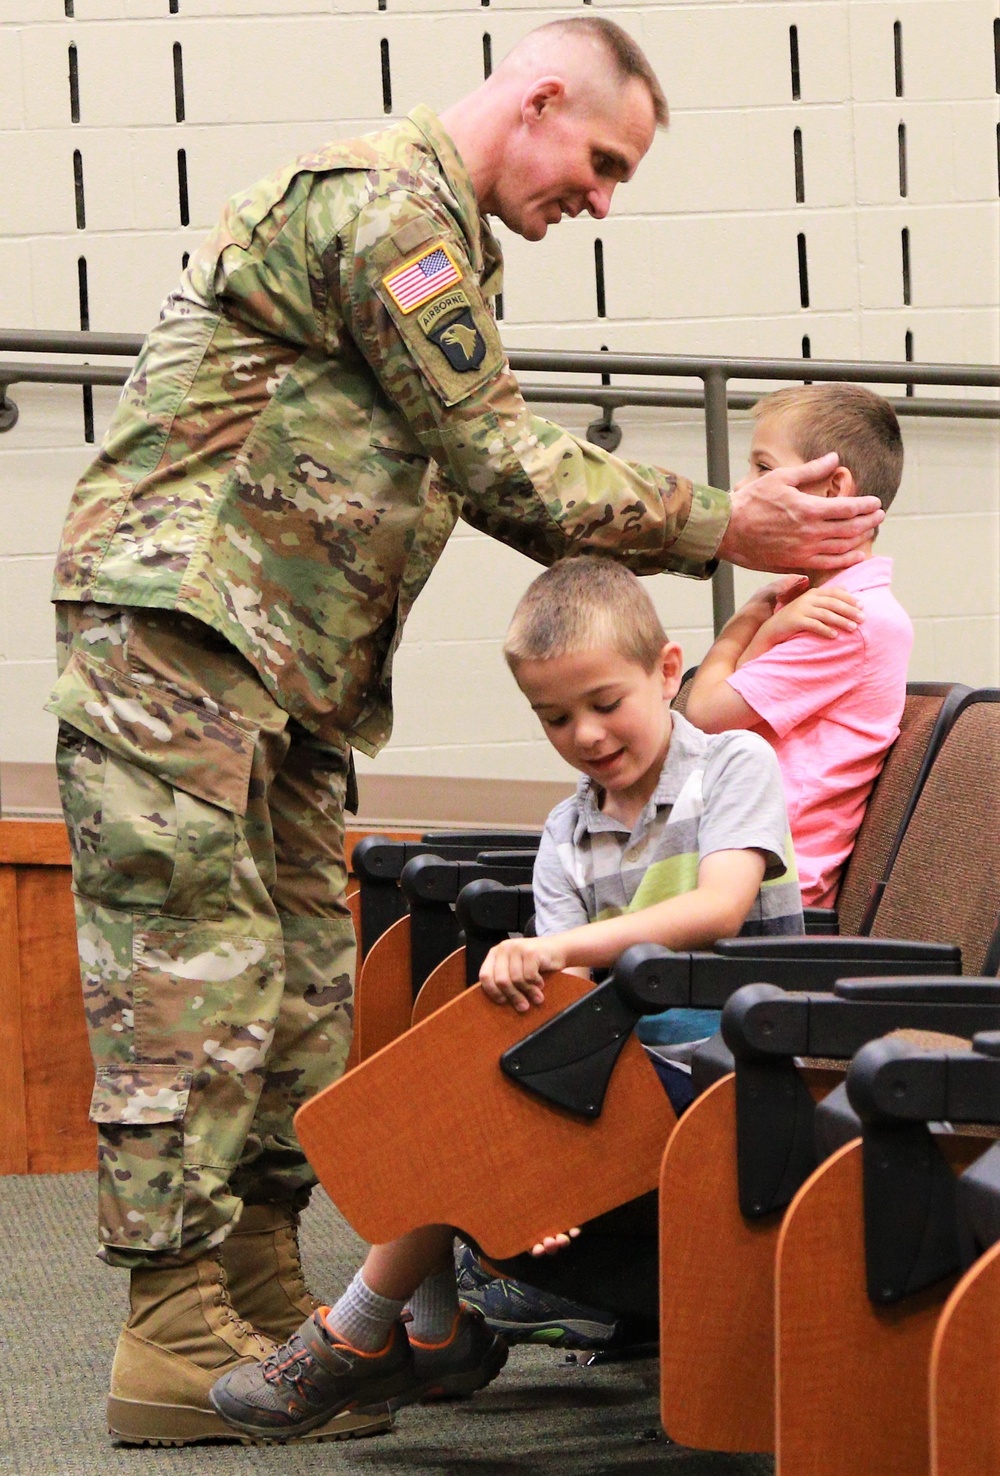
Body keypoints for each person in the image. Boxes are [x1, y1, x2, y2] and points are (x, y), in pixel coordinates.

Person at [45, 16, 881, 1448]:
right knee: (192, 972)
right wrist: (722, 521)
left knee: (301, 983)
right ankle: (172, 1328)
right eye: (603, 162)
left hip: (285, 668)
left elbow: (469, 458)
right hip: (178, 633)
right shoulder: (389, 206)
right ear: (541, 95)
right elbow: (498, 455)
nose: (602, 201)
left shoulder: (450, 245)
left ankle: (255, 1302)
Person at [207, 557, 801, 1439]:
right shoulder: (567, 829)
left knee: (477, 1097)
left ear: (668, 671)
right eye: (555, 718)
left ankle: (367, 1331)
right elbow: (564, 999)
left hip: (734, 1063)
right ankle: (416, 1326)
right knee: (463, 1076)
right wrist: (553, 1162)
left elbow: (717, 908)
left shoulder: (734, 764)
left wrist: (553, 951)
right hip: (626, 1071)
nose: (587, 735)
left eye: (606, 703)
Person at [685, 384, 912, 906]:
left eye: (763, 469)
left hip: (768, 886)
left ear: (834, 489)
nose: (743, 490)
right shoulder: (805, 599)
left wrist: (750, 629)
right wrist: (758, 626)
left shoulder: (846, 618)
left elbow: (704, 711)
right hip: (728, 852)